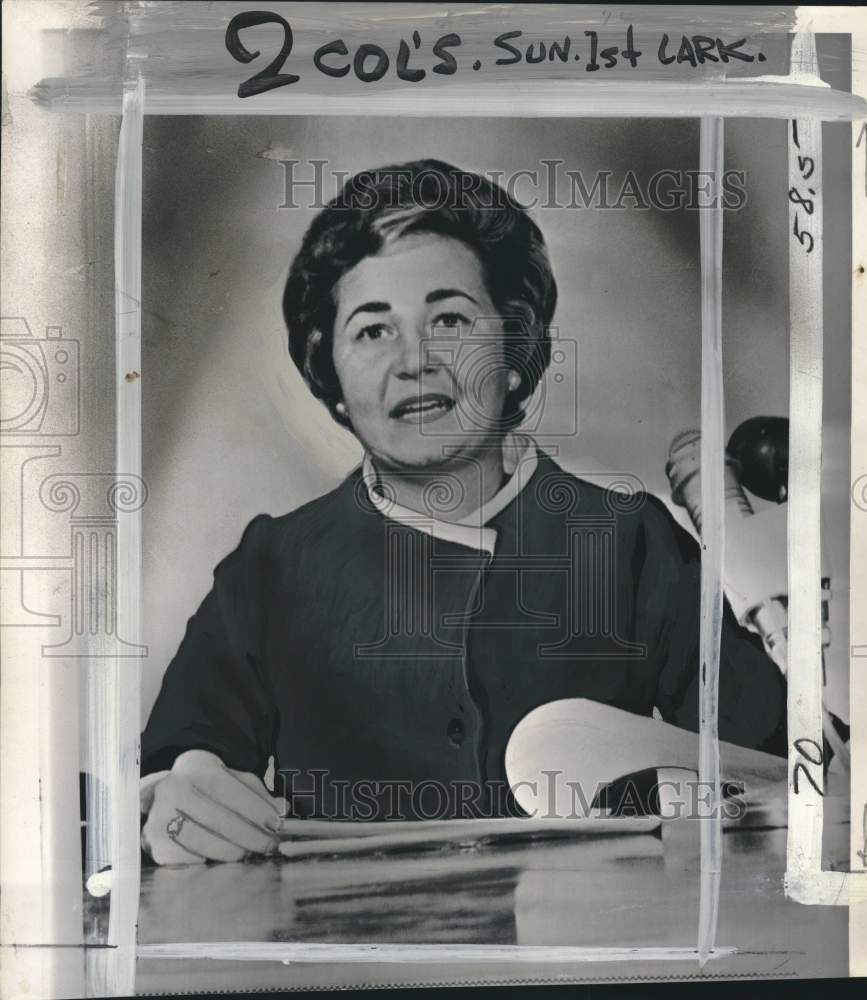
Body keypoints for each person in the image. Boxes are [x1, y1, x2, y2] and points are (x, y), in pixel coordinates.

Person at [140, 159, 787, 865]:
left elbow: (776, 764)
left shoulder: (631, 542)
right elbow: (177, 763)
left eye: (448, 318)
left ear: (513, 353)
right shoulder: (270, 569)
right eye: (372, 331)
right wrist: (187, 791)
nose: (414, 361)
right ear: (332, 381)